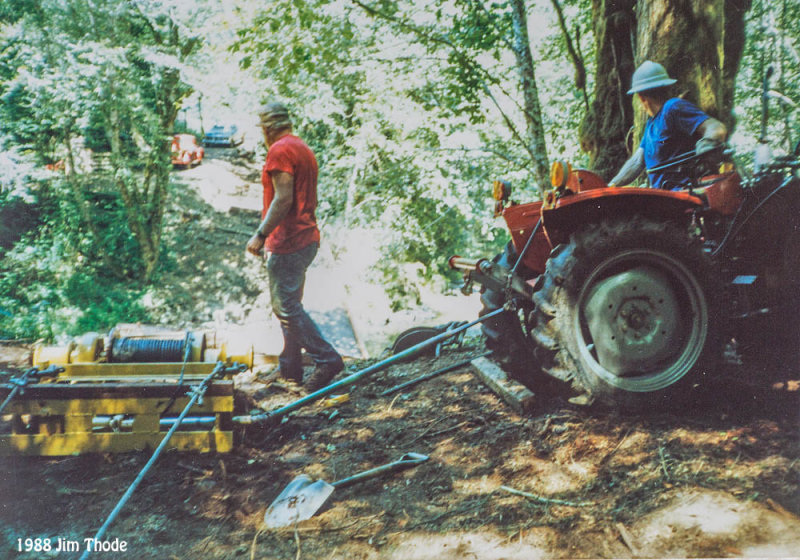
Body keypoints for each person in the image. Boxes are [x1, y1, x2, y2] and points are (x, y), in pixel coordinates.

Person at [246, 102, 344, 391]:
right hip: (305, 238)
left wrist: (261, 234)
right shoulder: (301, 147)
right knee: (290, 307)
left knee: (286, 307)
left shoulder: (279, 150)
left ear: (268, 128)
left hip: (288, 240)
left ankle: (326, 360)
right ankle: (290, 371)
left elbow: (283, 198)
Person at [609, 60, 727, 190]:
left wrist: (706, 148)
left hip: (683, 193)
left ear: (641, 97)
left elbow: (716, 128)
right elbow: (637, 162)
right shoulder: (651, 124)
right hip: (663, 197)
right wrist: (610, 186)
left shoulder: (673, 108)